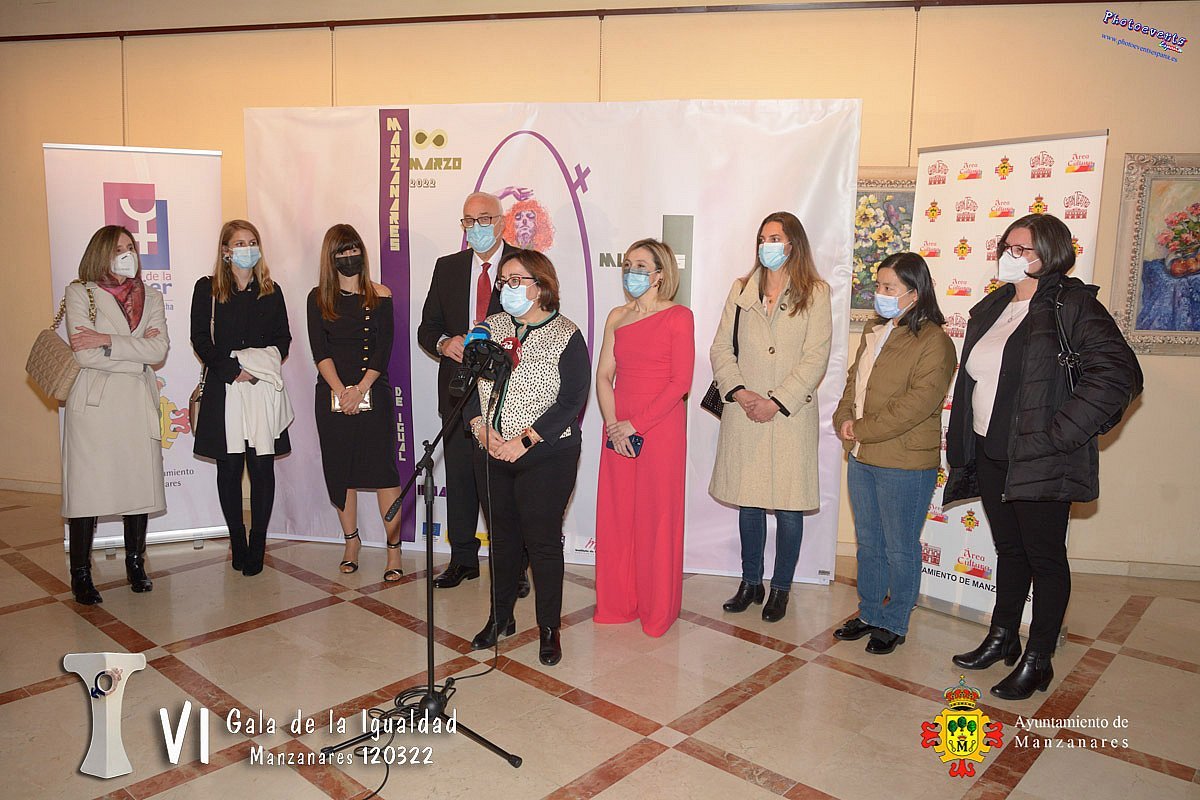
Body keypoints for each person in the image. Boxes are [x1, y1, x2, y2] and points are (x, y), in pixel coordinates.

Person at [945, 213, 1142, 700]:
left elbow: (1119, 374)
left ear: (1051, 253)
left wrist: (1059, 434)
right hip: (991, 450)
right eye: (1007, 247)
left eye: (1023, 249)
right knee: (1010, 551)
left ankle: (1039, 660)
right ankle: (1002, 637)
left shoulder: (1071, 304)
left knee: (1046, 559)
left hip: (1041, 456)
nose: (1011, 256)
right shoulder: (994, 306)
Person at [464, 249, 590, 666]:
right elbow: (466, 384)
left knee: (542, 543)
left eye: (516, 280)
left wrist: (525, 440)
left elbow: (572, 399)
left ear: (541, 286)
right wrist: (480, 427)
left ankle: (549, 629)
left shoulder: (566, 334)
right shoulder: (490, 328)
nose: (507, 288)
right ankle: (499, 618)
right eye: (504, 281)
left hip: (547, 455)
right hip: (491, 450)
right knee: (502, 540)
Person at [710, 211, 832, 623]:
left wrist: (777, 401)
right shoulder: (742, 289)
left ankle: (780, 588)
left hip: (790, 415)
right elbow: (721, 349)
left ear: (793, 244)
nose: (768, 245)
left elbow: (816, 357)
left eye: (775, 238)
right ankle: (751, 582)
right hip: (745, 411)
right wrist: (741, 393)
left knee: (790, 507)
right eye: (763, 238)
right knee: (749, 503)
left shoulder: (816, 292)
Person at [832, 252, 956, 654]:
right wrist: (843, 419)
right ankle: (869, 612)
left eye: (890, 288)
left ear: (914, 294)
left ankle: (895, 620)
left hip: (904, 463)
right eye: (879, 286)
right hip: (863, 456)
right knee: (869, 542)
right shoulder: (875, 330)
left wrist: (861, 428)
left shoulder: (935, 342)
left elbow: (916, 405)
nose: (880, 294)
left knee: (899, 547)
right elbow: (854, 384)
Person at [417, 192, 529, 597]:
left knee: (504, 485)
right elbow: (427, 328)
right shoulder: (447, 267)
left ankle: (513, 566)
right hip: (459, 391)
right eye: (468, 220)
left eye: (484, 219)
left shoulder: (524, 265)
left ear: (501, 222)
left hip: (507, 393)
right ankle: (463, 559)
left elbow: (537, 323)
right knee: (461, 479)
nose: (476, 227)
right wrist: (444, 342)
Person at [61, 225, 169, 604]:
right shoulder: (80, 292)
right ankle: (81, 573)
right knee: (87, 491)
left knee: (137, 487)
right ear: (101, 253)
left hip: (136, 404)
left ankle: (135, 564)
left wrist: (107, 340)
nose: (127, 254)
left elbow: (158, 351)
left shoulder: (150, 296)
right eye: (119, 248)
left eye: (131, 247)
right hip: (95, 407)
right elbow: (83, 353)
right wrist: (136, 355)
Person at [593, 239, 694, 637]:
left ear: (659, 275)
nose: (630, 273)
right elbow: (604, 375)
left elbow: (680, 383)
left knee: (657, 516)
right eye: (627, 265)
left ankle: (657, 609)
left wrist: (635, 425)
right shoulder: (617, 316)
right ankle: (618, 603)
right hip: (617, 425)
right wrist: (613, 423)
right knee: (617, 515)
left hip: (660, 426)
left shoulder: (679, 317)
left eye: (639, 266)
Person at [191, 220, 293, 577]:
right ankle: (237, 539)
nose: (247, 249)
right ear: (225, 250)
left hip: (262, 391)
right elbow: (201, 339)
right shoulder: (207, 289)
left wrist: (256, 368)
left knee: (262, 468)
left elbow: (283, 339)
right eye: (239, 243)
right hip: (225, 389)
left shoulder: (271, 291)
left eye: (252, 242)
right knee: (230, 469)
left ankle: (258, 543)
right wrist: (234, 370)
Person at [307, 224, 404, 582]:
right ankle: (351, 543)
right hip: (332, 396)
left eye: (354, 250)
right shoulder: (317, 298)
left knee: (384, 472)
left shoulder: (381, 295)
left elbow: (383, 348)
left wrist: (360, 389)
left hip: (373, 391)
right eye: (342, 252)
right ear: (330, 257)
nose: (350, 257)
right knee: (340, 470)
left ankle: (394, 549)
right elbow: (320, 351)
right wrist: (341, 392)